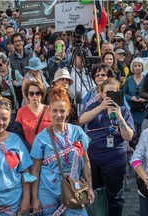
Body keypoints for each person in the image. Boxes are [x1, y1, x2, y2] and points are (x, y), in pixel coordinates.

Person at [31, 86, 94, 215]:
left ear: (68, 111)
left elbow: (86, 162)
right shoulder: (41, 138)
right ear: (48, 111)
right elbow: (35, 170)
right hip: (47, 191)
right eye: (54, 110)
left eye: (62, 111)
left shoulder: (78, 133)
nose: (58, 115)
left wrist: (90, 188)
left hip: (73, 188)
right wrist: (34, 198)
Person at [79, 78, 134, 216]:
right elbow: (81, 120)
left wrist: (120, 117)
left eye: (113, 92)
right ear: (101, 93)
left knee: (114, 196)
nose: (109, 95)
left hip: (114, 160)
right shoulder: (94, 105)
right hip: (94, 159)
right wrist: (101, 107)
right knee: (95, 193)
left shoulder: (123, 109)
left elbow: (128, 136)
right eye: (106, 92)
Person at [15, 81, 51, 151]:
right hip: (28, 152)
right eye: (31, 93)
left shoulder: (50, 110)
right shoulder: (21, 111)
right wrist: (29, 149)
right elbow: (18, 134)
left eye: (38, 93)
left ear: (42, 95)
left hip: (47, 152)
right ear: (27, 95)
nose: (35, 96)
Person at [123, 57, 147, 138]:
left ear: (142, 67)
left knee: (142, 131)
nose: (137, 67)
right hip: (131, 109)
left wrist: (144, 99)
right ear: (132, 67)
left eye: (139, 65)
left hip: (143, 110)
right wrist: (131, 98)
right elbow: (123, 93)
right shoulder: (129, 80)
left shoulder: (147, 79)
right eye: (135, 65)